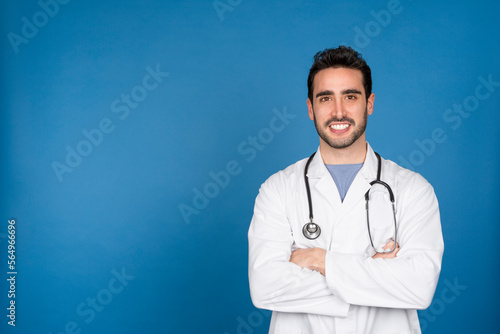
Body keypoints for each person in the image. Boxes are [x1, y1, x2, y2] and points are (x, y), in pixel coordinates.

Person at [248, 46, 444, 333]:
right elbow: (266, 287)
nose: (338, 112)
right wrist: (374, 275)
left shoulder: (413, 189)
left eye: (350, 97)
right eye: (325, 98)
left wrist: (318, 260)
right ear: (310, 108)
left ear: (370, 103)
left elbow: (419, 286)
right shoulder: (277, 189)